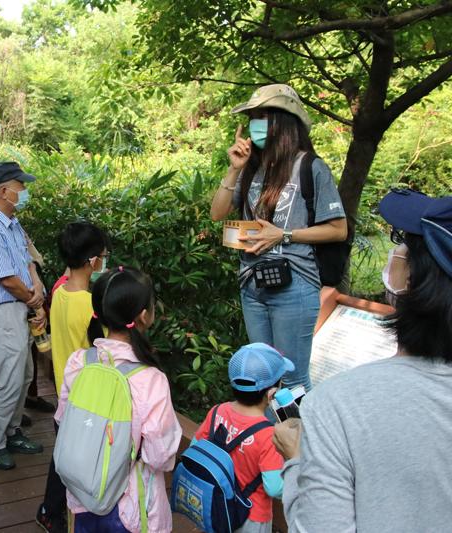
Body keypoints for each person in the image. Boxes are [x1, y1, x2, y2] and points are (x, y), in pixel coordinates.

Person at [273, 189, 452, 532]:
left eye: (404, 242)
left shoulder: (337, 405)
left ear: (415, 280)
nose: (395, 251)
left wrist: (298, 460)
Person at [210, 84, 347, 391]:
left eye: (263, 116)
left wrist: (283, 235)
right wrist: (234, 170)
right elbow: (217, 214)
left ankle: (299, 440)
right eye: (253, 118)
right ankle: (270, 440)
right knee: (263, 377)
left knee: (293, 380)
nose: (256, 125)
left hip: (295, 287)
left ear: (284, 121)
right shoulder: (251, 169)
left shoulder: (310, 167)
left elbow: (339, 229)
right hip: (252, 283)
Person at [55, 267, 181, 533]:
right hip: (129, 505)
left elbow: (62, 419)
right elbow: (160, 455)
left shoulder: (79, 362)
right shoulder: (150, 379)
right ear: (144, 316)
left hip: (80, 494)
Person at [37, 221, 112, 533]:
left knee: (63, 454)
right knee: (70, 461)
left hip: (64, 391)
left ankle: (49, 510)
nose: (105, 262)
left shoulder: (60, 292)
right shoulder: (89, 304)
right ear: (91, 261)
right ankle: (56, 512)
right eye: (103, 256)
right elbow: (107, 349)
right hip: (87, 399)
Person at [0, 162, 46, 470]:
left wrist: (38, 283)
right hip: (1, 311)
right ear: (4, 191)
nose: (25, 191)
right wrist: (35, 301)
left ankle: (13, 430)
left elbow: (27, 261)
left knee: (25, 374)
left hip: (17, 307)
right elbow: (7, 280)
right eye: (21, 186)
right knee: (10, 379)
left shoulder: (11, 221)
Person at [192, 343, 291, 533]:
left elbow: (197, 448)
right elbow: (275, 488)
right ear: (272, 393)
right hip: (251, 516)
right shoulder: (268, 434)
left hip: (217, 505)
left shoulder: (216, 412)